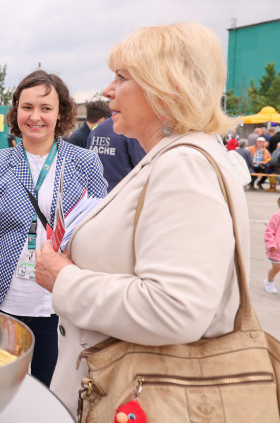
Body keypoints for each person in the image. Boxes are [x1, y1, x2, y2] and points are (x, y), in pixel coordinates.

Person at [34, 22, 249, 411]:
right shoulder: (173, 157)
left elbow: (174, 308)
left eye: (122, 77)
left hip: (140, 397)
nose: (107, 90)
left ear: (167, 87)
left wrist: (64, 279)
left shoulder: (184, 166)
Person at [0, 70, 107, 386]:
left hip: (58, 302)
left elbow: (102, 233)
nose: (36, 116)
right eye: (27, 107)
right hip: (0, 298)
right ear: (16, 111)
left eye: (46, 108)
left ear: (60, 113)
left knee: (50, 390)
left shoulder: (85, 162)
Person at [87, 117, 146, 192]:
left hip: (97, 193)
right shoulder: (128, 129)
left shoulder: (96, 129)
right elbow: (141, 165)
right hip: (121, 193)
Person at [264, 198, 280, 294]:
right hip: (276, 250)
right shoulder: (276, 217)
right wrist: (271, 244)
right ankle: (269, 282)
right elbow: (269, 232)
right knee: (277, 268)